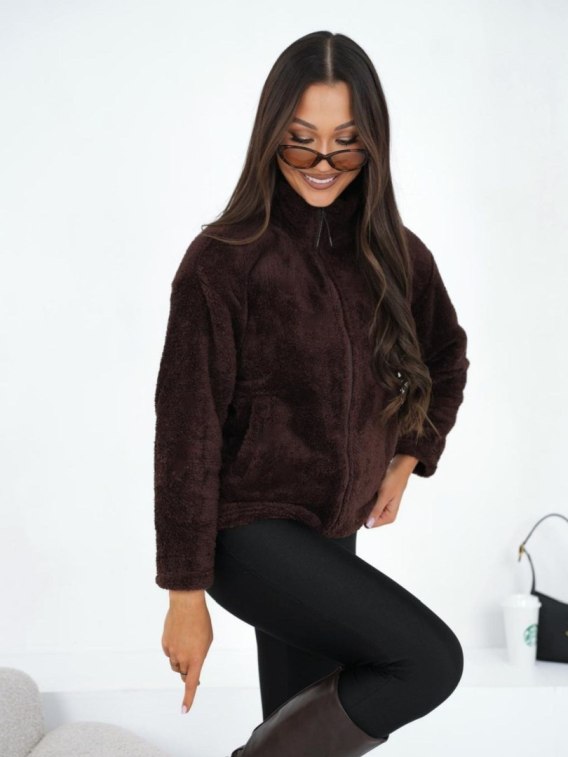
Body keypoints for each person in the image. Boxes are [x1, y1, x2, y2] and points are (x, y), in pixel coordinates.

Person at [154, 30, 470, 757]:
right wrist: (184, 593)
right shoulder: (222, 262)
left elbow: (446, 357)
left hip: (332, 531)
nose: (324, 165)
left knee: (307, 736)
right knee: (427, 661)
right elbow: (185, 433)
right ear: (271, 136)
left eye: (345, 144)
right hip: (247, 533)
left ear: (373, 145)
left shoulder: (395, 252)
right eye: (301, 143)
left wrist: (407, 457)